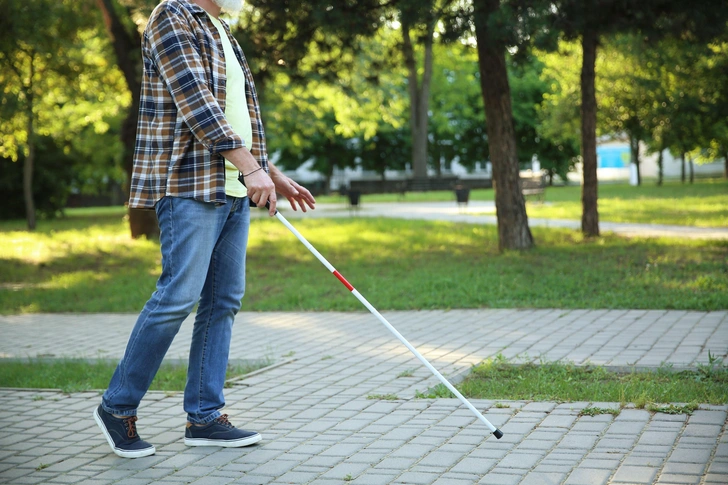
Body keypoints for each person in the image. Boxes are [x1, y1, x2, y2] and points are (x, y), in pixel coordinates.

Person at [94, 0, 316, 458]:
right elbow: (197, 104)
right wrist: (252, 170)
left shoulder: (222, 29)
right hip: (189, 182)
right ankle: (117, 407)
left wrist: (266, 171)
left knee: (223, 301)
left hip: (235, 187)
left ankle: (205, 416)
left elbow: (239, 113)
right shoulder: (170, 15)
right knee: (178, 295)